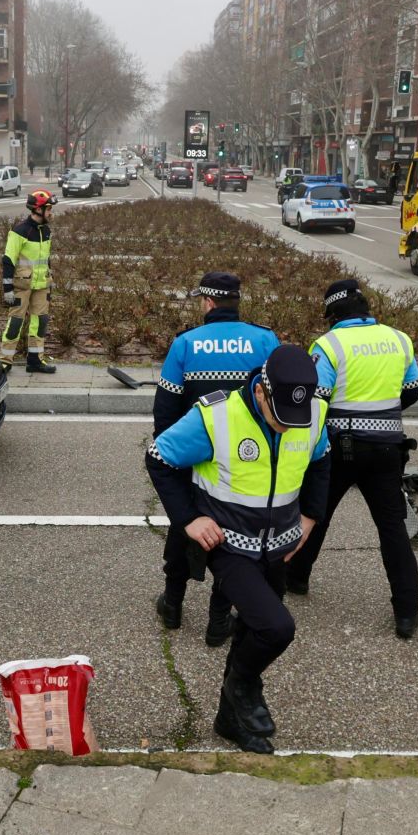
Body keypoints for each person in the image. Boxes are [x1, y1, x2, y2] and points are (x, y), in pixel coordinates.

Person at [147, 346, 331, 754]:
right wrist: (189, 520)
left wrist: (311, 517)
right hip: (230, 546)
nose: (286, 428)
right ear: (262, 392)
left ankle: (229, 721)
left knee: (250, 631)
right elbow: (158, 456)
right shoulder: (216, 416)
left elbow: (321, 461)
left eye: (293, 421)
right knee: (276, 627)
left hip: (280, 546)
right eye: (279, 418)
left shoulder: (313, 412)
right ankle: (244, 685)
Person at [284, 279, 418, 637]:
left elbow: (317, 399)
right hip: (388, 448)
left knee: (315, 514)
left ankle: (297, 578)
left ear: (332, 315)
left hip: (340, 448)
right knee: (392, 528)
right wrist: (384, 415)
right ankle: (406, 614)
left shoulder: (328, 345)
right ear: (365, 309)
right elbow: (412, 390)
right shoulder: (399, 339)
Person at [151, 272, 279, 647]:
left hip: (195, 453)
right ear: (235, 302)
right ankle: (218, 621)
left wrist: (173, 453)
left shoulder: (186, 343)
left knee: (184, 527)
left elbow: (166, 410)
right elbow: (274, 401)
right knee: (233, 540)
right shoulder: (265, 340)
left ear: (207, 303)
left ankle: (172, 606)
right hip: (243, 459)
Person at [1, 189, 58, 374]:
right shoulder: (20, 231)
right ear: (38, 209)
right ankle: (5, 361)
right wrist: (7, 288)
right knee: (15, 322)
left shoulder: (46, 231)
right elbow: (8, 260)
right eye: (48, 209)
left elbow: (45, 258)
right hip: (21, 286)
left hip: (41, 286)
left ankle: (35, 361)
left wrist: (50, 278)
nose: (51, 212)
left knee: (40, 322)